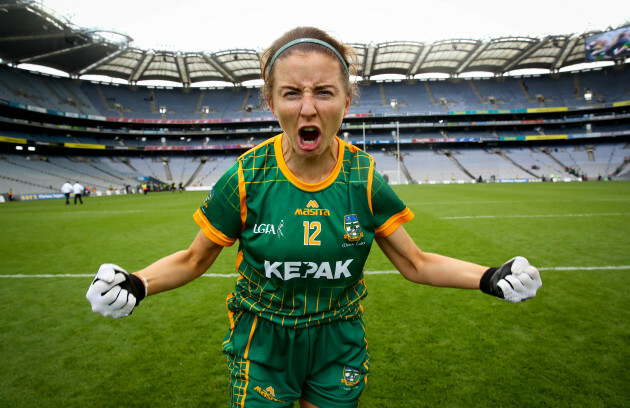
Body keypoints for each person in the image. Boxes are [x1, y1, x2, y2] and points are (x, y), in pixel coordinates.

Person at [86, 27, 542, 408]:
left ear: (347, 100)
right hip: (262, 343)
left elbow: (416, 263)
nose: (308, 108)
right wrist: (137, 283)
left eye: (324, 92)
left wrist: (489, 276)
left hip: (337, 340)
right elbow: (192, 260)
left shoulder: (363, 177)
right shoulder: (246, 176)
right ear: (270, 101)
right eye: (292, 93)